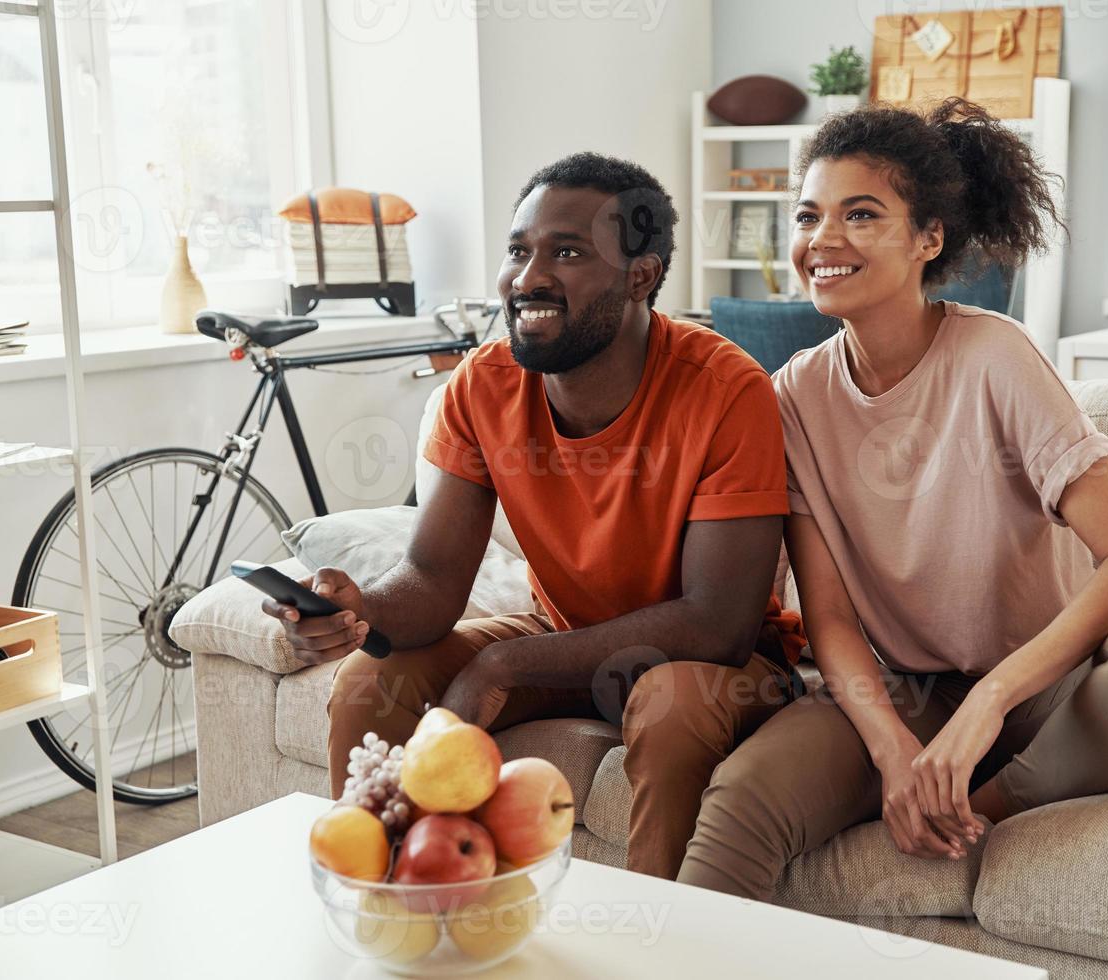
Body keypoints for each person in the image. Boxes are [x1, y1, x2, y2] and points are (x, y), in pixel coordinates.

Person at [676, 99, 1108, 898]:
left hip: (1053, 690)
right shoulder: (794, 396)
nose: (823, 240)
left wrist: (987, 704)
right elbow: (832, 620)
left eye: (863, 214)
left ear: (929, 239)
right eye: (808, 215)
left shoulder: (994, 356)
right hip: (909, 693)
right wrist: (892, 751)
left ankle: (984, 804)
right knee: (745, 795)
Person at [260, 152, 804, 880]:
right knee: (371, 679)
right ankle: (390, 912)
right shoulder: (482, 387)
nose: (527, 278)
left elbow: (719, 622)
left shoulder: (727, 389)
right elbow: (430, 578)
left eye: (567, 252)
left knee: (669, 705)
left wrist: (506, 663)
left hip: (713, 667)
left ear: (640, 276)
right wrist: (358, 611)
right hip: (569, 641)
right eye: (518, 251)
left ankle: (664, 948)